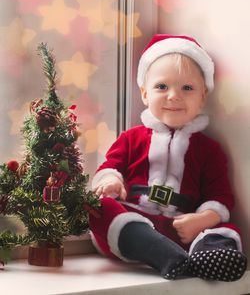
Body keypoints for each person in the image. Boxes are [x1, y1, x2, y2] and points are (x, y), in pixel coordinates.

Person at [88, 34, 248, 281]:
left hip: (183, 226)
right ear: (144, 94)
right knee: (98, 207)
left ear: (203, 96)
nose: (173, 96)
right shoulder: (131, 138)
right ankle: (156, 250)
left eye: (187, 88)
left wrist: (203, 219)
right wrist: (112, 180)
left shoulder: (208, 149)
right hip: (137, 220)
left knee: (227, 228)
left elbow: (220, 195)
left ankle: (203, 255)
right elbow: (111, 165)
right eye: (162, 87)